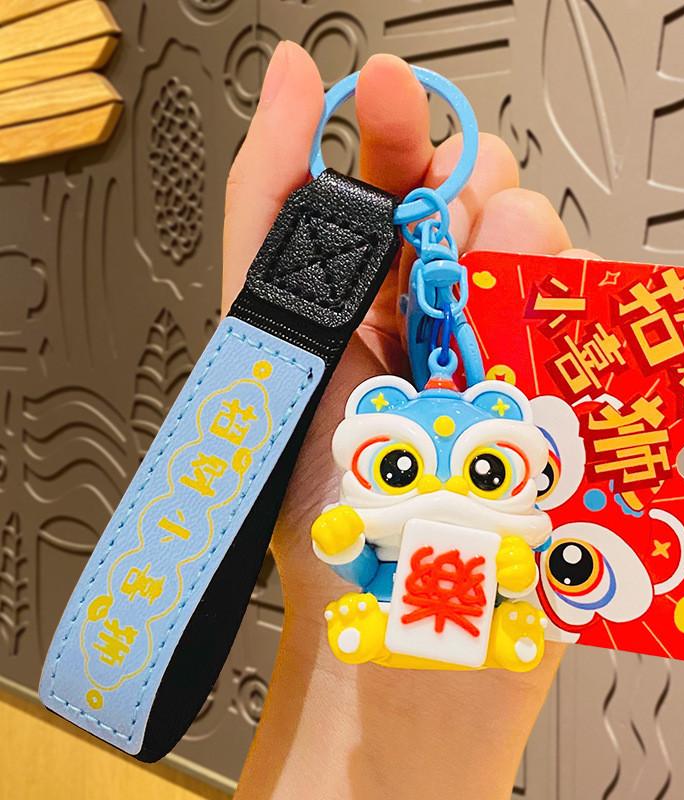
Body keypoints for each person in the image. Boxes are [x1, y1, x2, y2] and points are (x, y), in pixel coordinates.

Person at [227, 43, 595, 800]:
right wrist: (337, 543)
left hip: (470, 617)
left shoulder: (496, 523)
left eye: (489, 469)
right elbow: (363, 571)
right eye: (398, 466)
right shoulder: (388, 510)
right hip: (399, 616)